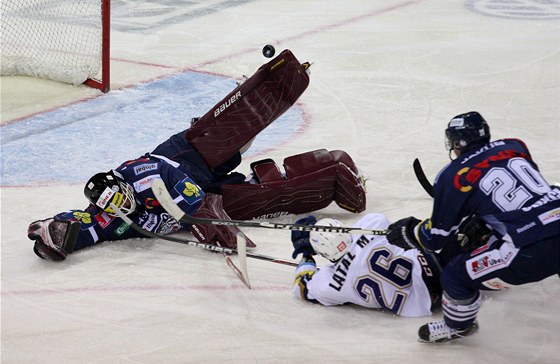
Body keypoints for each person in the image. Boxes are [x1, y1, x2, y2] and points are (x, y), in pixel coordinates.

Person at [27, 50, 367, 262]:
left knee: (235, 132)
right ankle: (337, 174)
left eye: (119, 198)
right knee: (265, 193)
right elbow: (81, 227)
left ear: (123, 185)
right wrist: (55, 233)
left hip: (189, 157)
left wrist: (215, 228)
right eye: (112, 206)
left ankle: (266, 83)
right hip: (205, 197)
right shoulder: (111, 216)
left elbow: (192, 197)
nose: (121, 207)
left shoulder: (143, 173)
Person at [386, 111, 560, 342]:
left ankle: (458, 326)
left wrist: (410, 230)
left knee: (455, 275)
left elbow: (435, 237)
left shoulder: (453, 176)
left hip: (528, 246)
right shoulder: (515, 146)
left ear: (457, 143)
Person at [290, 213, 443, 317]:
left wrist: (307, 256)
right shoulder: (374, 223)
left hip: (423, 303)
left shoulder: (330, 284)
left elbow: (301, 286)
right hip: (432, 269)